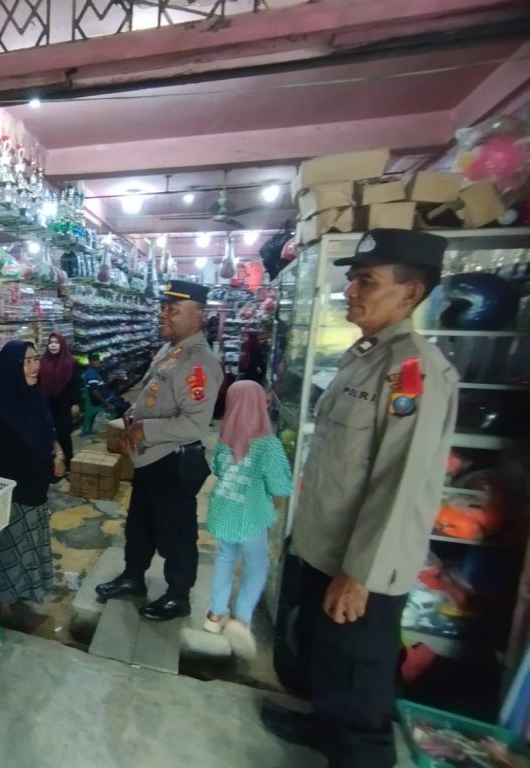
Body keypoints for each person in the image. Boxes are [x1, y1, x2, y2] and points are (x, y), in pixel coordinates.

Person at [261, 229, 459, 768]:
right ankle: (322, 725)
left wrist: (360, 574)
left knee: (358, 676)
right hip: (328, 547)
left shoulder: (412, 371)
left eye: (366, 281)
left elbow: (400, 482)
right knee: (327, 657)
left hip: (361, 564)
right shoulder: (367, 356)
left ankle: (359, 753)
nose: (349, 290)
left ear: (410, 293)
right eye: (351, 279)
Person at [96, 280, 223, 622]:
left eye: (173, 310)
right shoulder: (172, 349)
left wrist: (144, 429)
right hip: (149, 460)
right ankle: (133, 577)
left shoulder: (199, 362)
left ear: (197, 315)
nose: (163, 314)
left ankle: (178, 596)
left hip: (172, 463)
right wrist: (134, 412)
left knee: (176, 532)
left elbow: (194, 424)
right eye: (163, 307)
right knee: (140, 525)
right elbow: (155, 393)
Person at [203, 380, 293, 659]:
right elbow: (280, 486)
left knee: (225, 557)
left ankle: (215, 614)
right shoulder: (269, 445)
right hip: (251, 515)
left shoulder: (225, 438)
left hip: (224, 509)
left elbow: (218, 470)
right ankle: (241, 620)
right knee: (256, 565)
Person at [0, 341, 66, 606]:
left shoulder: (34, 397)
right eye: (27, 361)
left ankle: (25, 592)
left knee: (29, 547)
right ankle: (4, 604)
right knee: (11, 553)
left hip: (36, 493)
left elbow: (48, 434)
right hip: (12, 500)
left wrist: (58, 454)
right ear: (10, 368)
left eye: (36, 359)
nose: (35, 366)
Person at [38, 331, 80, 467]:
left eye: (56, 342)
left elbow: (75, 384)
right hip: (46, 403)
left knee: (63, 434)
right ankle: (51, 463)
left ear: (62, 344)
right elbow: (38, 383)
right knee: (46, 433)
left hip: (63, 404)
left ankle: (68, 463)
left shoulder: (70, 362)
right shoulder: (43, 362)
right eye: (50, 343)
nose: (53, 345)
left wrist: (75, 403)